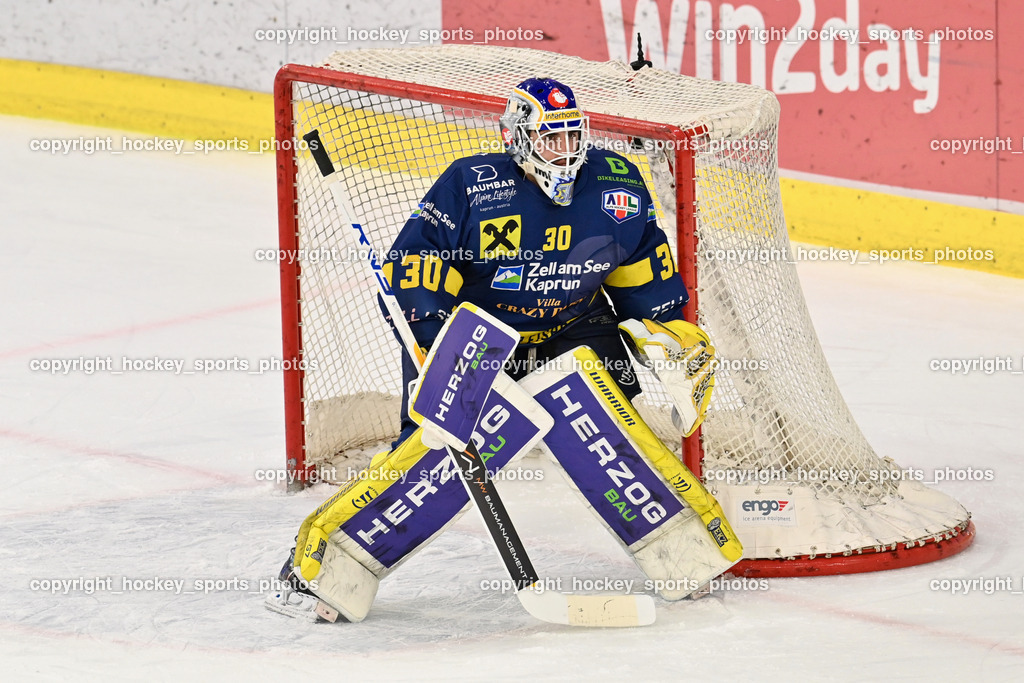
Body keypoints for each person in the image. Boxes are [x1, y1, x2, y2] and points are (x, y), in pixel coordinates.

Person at [385, 76, 690, 447]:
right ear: (518, 138)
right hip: (487, 337)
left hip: (573, 325)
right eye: (550, 139)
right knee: (429, 439)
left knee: (616, 437)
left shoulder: (616, 182)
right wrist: (434, 352)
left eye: (572, 136)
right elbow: (419, 263)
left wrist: (671, 338)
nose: (566, 151)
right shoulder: (471, 184)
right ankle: (414, 456)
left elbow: (643, 270)